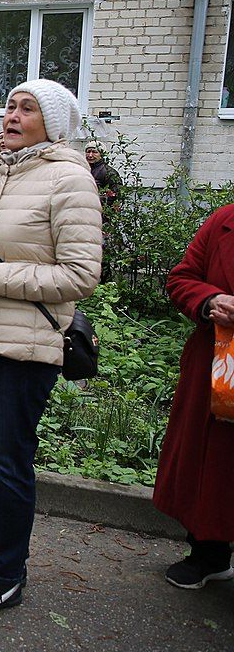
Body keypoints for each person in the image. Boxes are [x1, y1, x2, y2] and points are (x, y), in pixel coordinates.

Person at [0, 79, 101, 616]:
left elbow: (80, 275)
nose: (10, 115)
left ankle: (7, 575)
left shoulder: (69, 180)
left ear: (52, 125)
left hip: (26, 345)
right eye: (8, 105)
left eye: (25, 108)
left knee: (9, 459)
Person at [152, 203, 234, 589]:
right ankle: (208, 554)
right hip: (218, 364)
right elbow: (182, 278)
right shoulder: (225, 221)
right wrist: (210, 300)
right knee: (214, 462)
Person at [84, 141, 122, 212]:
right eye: (88, 152)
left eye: (94, 152)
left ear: (102, 154)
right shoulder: (82, 170)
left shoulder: (109, 172)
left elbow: (117, 195)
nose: (90, 155)